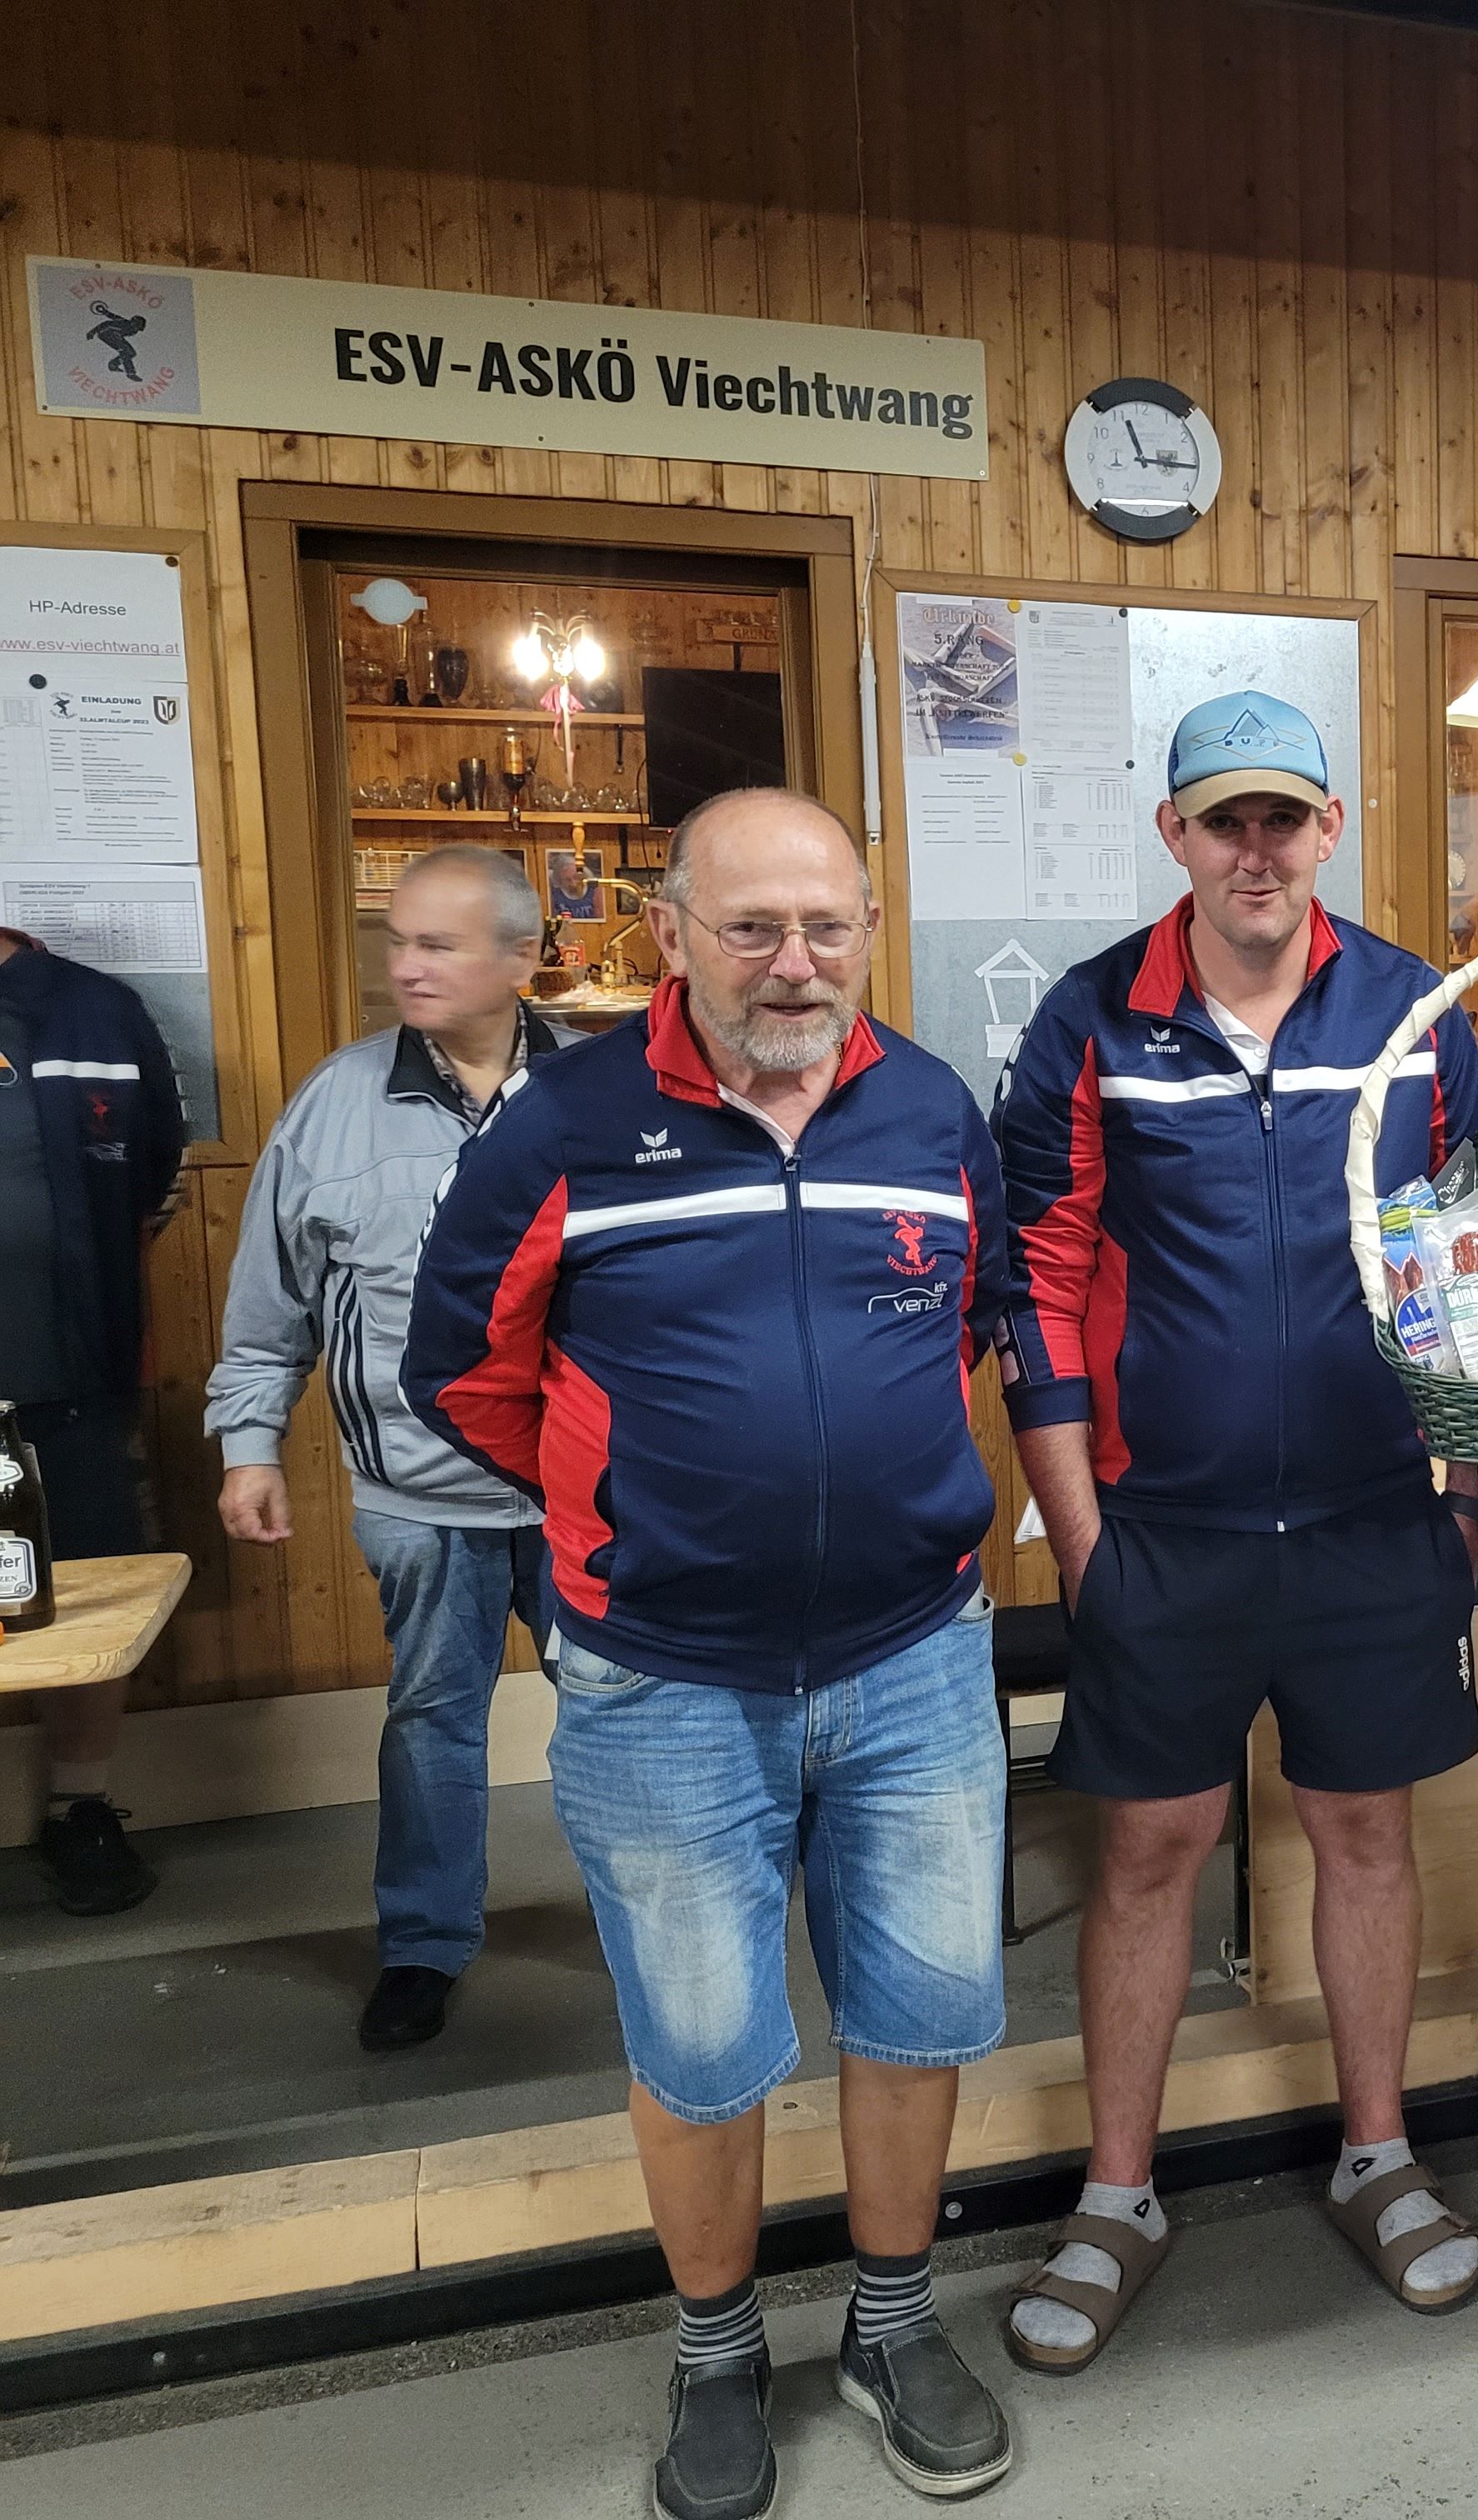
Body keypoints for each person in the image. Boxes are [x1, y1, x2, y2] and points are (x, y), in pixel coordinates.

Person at [404, 790, 1020, 2517]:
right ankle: (717, 2348)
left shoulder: (931, 1112)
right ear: (671, 934)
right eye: (751, 927)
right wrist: (627, 1511)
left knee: (916, 2015)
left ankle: (892, 2324)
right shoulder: (568, 1125)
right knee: (699, 2039)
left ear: (870, 929)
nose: (793, 962)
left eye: (826, 925)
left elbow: (969, 1329)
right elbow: (463, 1365)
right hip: (660, 1676)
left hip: (914, 1655)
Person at [991, 691, 1478, 2365]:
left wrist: (1470, 1480)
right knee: (1150, 1847)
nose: (1257, 850)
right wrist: (1080, 1531)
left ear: (1329, 829)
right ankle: (1117, 2194)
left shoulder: (1416, 1010)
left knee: (1364, 1835)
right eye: (1227, 821)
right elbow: (1036, 1275)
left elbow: (1473, 1242)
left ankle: (1378, 2154)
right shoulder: (1091, 1019)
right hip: (1165, 1528)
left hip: (1373, 1520)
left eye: (1285, 817)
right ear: (1178, 836)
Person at [207, 846, 563, 2051]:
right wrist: (249, 1444)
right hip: (418, 1493)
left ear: (522, 958)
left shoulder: (604, 1092)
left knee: (627, 1715)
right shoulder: (335, 1103)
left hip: (586, 1492)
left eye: (438, 945)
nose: (406, 967)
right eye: (398, 942)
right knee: (432, 1720)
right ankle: (422, 1945)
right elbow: (272, 1299)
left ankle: (655, 1917)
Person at [0, 921, 186, 1916]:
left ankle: (81, 1806)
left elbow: (154, 1172)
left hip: (73, 1373)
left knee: (91, 1588)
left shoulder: (96, 1009)